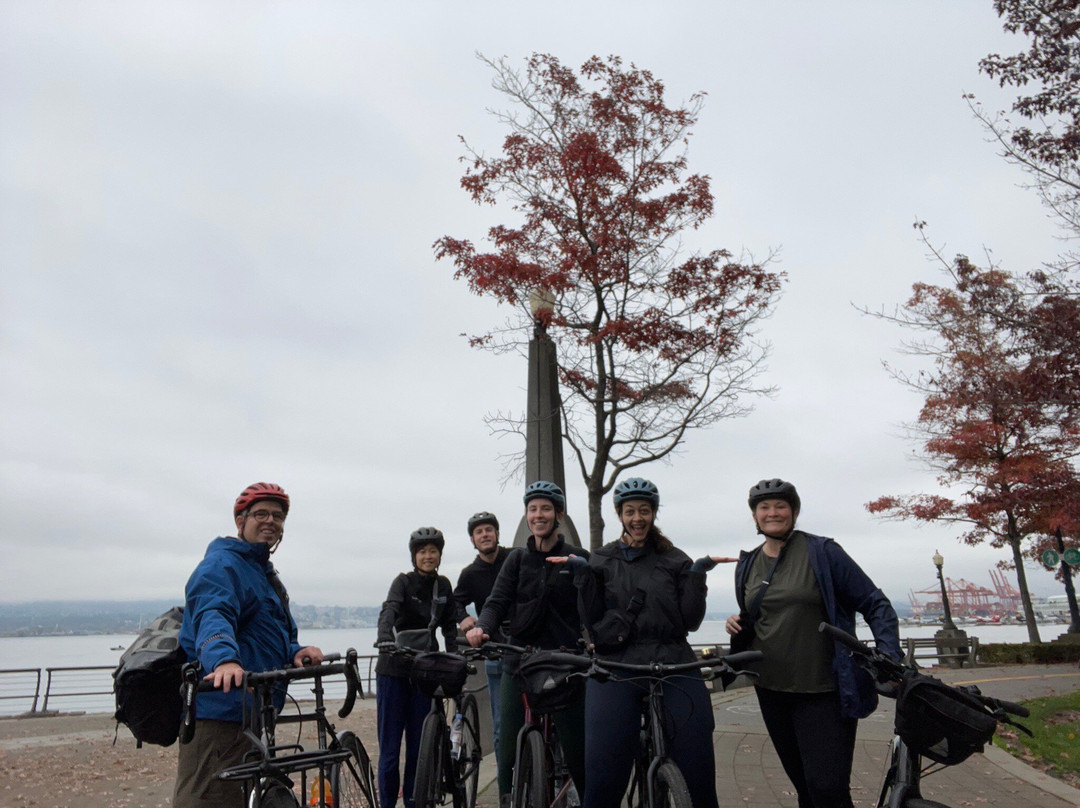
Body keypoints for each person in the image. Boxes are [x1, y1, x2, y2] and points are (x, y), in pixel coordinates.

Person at [725, 478, 901, 808]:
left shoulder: (822, 552)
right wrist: (736, 622)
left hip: (824, 692)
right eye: (764, 507)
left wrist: (889, 653)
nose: (772, 512)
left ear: (794, 511)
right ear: (754, 516)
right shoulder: (748, 563)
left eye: (781, 506)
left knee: (828, 790)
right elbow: (758, 615)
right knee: (806, 788)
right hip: (772, 690)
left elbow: (875, 603)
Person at [569, 477, 735, 808]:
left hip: (672, 659)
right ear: (619, 515)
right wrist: (584, 579)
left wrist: (697, 579)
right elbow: (591, 620)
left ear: (654, 513)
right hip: (618, 663)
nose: (637, 518)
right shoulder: (602, 559)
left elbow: (690, 621)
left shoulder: (675, 559)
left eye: (644, 510)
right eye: (630, 511)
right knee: (604, 768)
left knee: (697, 756)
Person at [173, 482, 323, 808]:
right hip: (219, 712)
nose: (271, 521)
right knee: (208, 801)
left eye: (278, 516)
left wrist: (295, 652)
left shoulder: (263, 574)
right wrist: (224, 659)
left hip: (253, 712)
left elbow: (268, 632)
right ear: (240, 521)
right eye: (261, 514)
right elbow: (213, 614)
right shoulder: (222, 565)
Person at [465, 481, 589, 807]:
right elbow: (496, 601)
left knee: (577, 748)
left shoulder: (577, 558)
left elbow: (594, 607)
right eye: (533, 509)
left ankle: (585, 795)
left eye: (546, 508)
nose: (539, 515)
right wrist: (482, 628)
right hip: (520, 660)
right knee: (507, 748)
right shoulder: (517, 560)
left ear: (559, 515)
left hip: (565, 662)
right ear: (526, 515)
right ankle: (508, 799)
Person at [375, 527, 458, 808]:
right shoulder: (402, 582)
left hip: (424, 671)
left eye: (433, 551)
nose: (427, 556)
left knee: (419, 750)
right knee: (389, 752)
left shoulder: (443, 586)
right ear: (414, 556)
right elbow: (389, 609)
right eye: (422, 551)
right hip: (393, 670)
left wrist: (456, 658)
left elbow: (449, 628)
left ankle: (415, 802)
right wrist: (385, 636)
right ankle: (386, 804)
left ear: (439, 555)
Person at [453, 511, 510, 770]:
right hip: (495, 654)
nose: (485, 534)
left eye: (489, 529)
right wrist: (463, 617)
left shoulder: (515, 560)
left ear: (497, 533)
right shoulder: (470, 574)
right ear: (473, 540)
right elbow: (454, 602)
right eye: (479, 532)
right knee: (501, 726)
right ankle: (506, 784)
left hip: (528, 650)